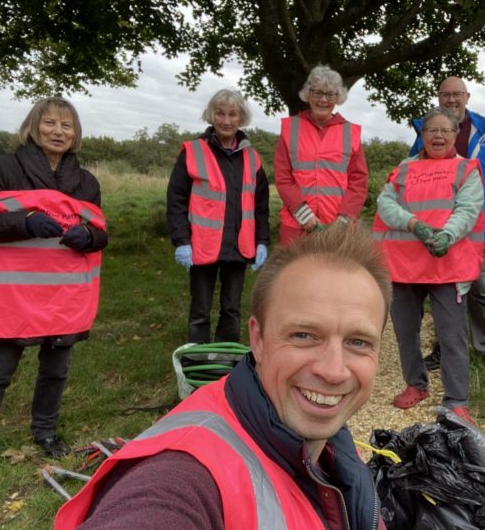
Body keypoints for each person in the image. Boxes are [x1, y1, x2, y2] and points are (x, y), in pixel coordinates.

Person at [55, 223, 391, 529]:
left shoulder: (329, 444)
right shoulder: (181, 478)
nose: (333, 371)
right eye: (304, 336)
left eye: (358, 342)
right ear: (257, 339)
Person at [0, 98, 108, 481]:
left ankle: (44, 431)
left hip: (63, 294)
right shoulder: (2, 168)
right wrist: (25, 223)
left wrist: (86, 235)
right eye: (50, 123)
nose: (58, 131)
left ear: (76, 134)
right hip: (14, 297)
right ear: (33, 126)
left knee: (56, 369)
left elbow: (101, 234)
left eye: (67, 125)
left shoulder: (86, 181)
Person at [374, 107, 484, 425]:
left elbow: (468, 208)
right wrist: (414, 225)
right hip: (404, 264)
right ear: (422, 135)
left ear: (454, 135)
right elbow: (385, 203)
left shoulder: (466, 170)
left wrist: (447, 235)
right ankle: (416, 384)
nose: (437, 136)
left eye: (445, 131)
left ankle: (457, 400)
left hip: (447, 264)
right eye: (430, 130)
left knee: (452, 335)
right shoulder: (405, 168)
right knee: (406, 331)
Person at [409, 76, 485, 369]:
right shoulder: (427, 127)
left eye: (456, 95)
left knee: (477, 287)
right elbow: (413, 172)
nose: (451, 100)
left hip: (475, 223)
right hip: (437, 222)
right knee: (441, 287)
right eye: (445, 95)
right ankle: (443, 347)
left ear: (467, 96)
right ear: (439, 97)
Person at [166, 89, 270, 344]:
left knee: (232, 311)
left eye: (232, 114)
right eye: (220, 114)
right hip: (202, 247)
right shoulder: (192, 152)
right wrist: (182, 241)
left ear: (241, 117)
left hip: (239, 247)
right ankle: (197, 365)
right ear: (211, 116)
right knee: (199, 312)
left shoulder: (252, 158)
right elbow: (176, 201)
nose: (226, 120)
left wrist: (262, 242)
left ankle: (225, 367)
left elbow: (261, 206)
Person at [274, 65, 368, 245]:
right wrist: (303, 215)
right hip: (297, 224)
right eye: (317, 93)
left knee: (336, 273)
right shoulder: (290, 128)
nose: (323, 99)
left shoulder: (350, 132)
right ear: (307, 94)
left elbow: (358, 181)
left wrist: (344, 220)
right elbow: (283, 177)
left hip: (339, 227)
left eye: (330, 94)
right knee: (296, 273)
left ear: (338, 97)